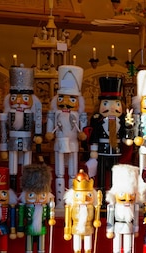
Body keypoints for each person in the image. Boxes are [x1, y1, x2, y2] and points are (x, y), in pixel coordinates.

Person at [45, 65, 87, 208]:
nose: (66, 103)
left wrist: (83, 134)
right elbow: (50, 126)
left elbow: (84, 129)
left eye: (72, 99)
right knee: (60, 173)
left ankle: (72, 202)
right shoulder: (56, 113)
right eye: (62, 98)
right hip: (59, 141)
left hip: (73, 142)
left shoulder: (78, 115)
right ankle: (60, 202)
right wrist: (49, 133)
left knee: (73, 172)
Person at [0, 65, 43, 192]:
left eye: (24, 98)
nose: (19, 101)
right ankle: (12, 189)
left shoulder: (32, 112)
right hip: (12, 141)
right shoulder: (8, 113)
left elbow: (38, 123)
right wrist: (3, 145)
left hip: (27, 140)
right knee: (12, 165)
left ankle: (25, 190)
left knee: (26, 165)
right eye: (14, 98)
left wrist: (38, 135)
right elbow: (3, 129)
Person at [88, 76, 133, 194]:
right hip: (102, 152)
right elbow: (95, 136)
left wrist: (125, 139)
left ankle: (114, 194)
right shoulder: (99, 121)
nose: (112, 107)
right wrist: (94, 150)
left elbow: (124, 132)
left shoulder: (121, 122)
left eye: (116, 103)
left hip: (116, 151)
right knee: (101, 174)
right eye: (106, 103)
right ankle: (101, 195)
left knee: (115, 174)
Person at [63, 170, 101, 253]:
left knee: (88, 248)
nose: (84, 199)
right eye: (79, 195)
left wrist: (96, 221)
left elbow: (96, 218)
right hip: (76, 229)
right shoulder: (71, 207)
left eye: (88, 195)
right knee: (77, 248)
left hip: (88, 229)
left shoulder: (91, 207)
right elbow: (67, 220)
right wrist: (67, 231)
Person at [106, 164, 143, 253]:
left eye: (131, 195)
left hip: (129, 227)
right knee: (116, 246)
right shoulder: (113, 206)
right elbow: (110, 219)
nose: (127, 199)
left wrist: (136, 229)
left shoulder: (134, 207)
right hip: (117, 227)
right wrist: (109, 230)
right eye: (123, 195)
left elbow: (135, 219)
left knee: (128, 246)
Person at [17, 164, 55, 253]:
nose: (38, 199)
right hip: (29, 229)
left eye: (42, 195)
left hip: (41, 229)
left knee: (41, 249)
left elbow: (49, 215)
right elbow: (21, 217)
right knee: (29, 249)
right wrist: (19, 228)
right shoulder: (25, 206)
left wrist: (50, 218)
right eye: (32, 195)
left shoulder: (45, 206)